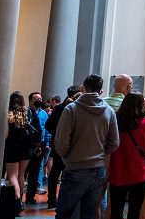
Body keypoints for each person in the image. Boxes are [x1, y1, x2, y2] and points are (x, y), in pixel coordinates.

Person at [54, 74, 120, 219]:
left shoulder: (71, 109)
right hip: (99, 169)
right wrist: (101, 154)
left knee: (64, 212)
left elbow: (61, 142)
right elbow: (114, 142)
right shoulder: (109, 111)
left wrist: (68, 156)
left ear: (83, 88)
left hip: (75, 167)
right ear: (100, 92)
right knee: (90, 213)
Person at [109, 93, 145, 219]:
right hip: (138, 173)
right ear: (141, 106)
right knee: (134, 211)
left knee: (116, 209)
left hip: (117, 171)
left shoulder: (115, 122)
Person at [45, 85, 81, 209]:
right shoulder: (78, 108)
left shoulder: (59, 107)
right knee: (68, 174)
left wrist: (57, 134)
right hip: (72, 147)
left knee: (55, 173)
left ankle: (51, 201)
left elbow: (48, 125)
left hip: (58, 144)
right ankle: (64, 200)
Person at [4, 92, 35, 213]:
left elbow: (6, 133)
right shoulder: (27, 113)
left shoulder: (9, 113)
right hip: (26, 147)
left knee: (12, 176)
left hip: (12, 146)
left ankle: (15, 203)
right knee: (21, 175)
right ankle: (20, 201)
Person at [25, 91, 47, 205]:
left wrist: (47, 143)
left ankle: (30, 196)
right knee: (24, 171)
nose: (39, 100)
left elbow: (46, 130)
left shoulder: (44, 114)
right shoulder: (26, 112)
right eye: (36, 99)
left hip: (40, 145)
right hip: (28, 145)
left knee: (35, 171)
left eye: (40, 98)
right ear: (30, 100)